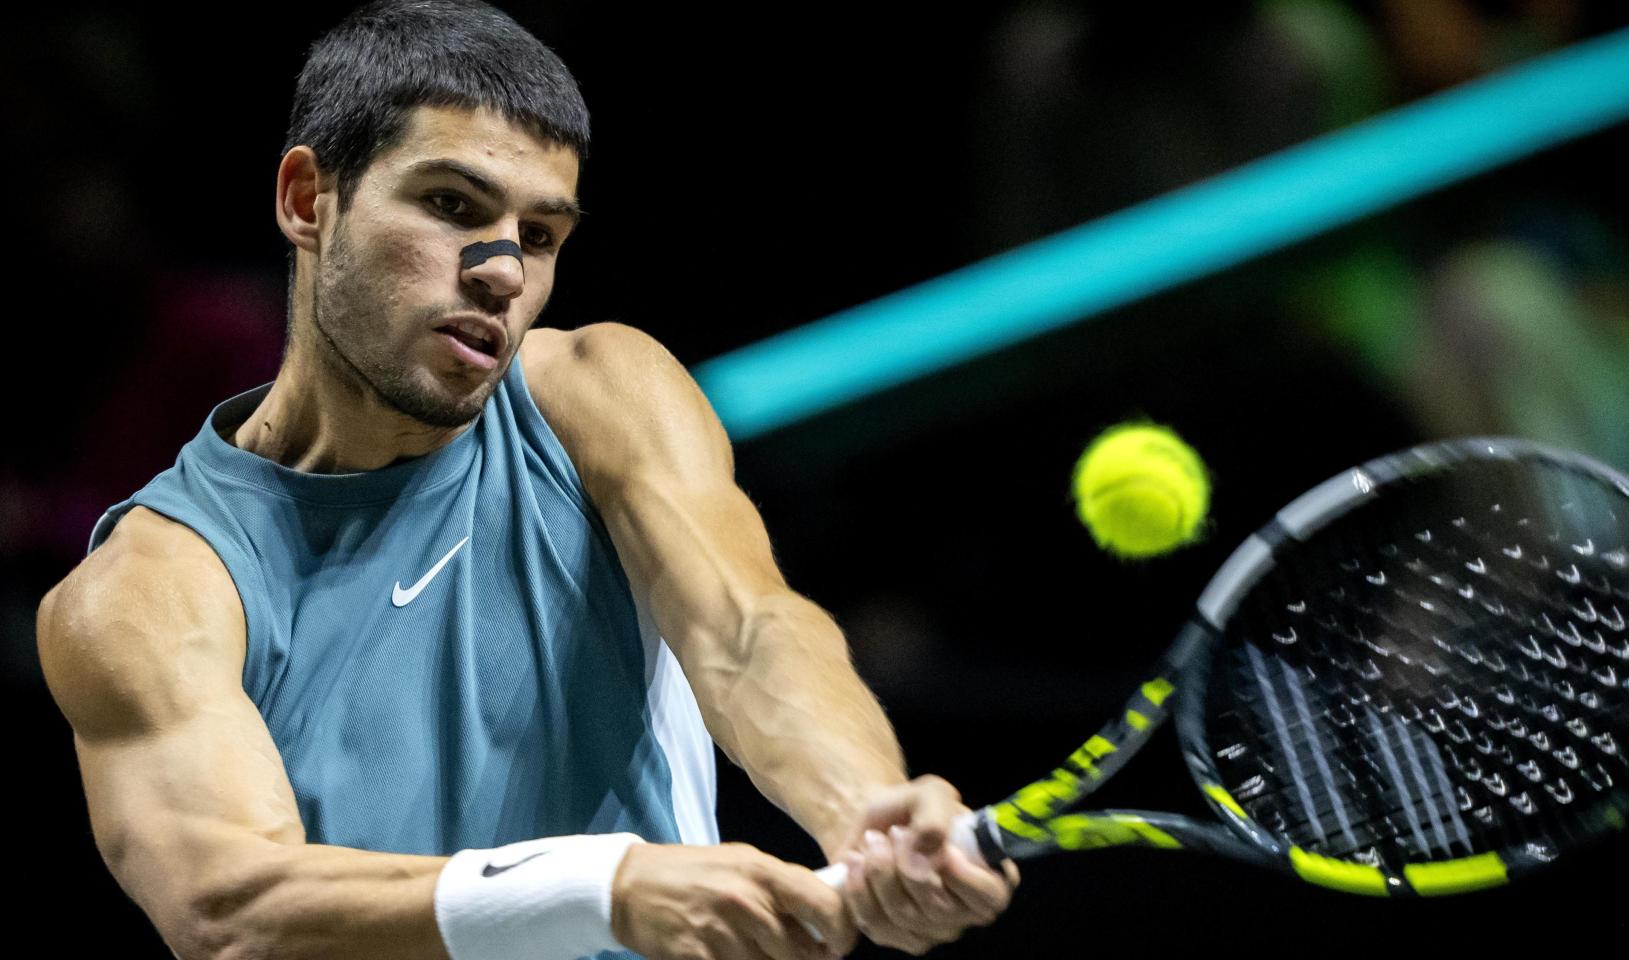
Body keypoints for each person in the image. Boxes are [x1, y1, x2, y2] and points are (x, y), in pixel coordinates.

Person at [33, 2, 1016, 958]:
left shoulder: (597, 393)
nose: (503, 271)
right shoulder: (145, 588)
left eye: (539, 235)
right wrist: (600, 888)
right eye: (451, 205)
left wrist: (865, 813)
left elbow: (746, 634)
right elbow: (231, 907)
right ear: (307, 201)